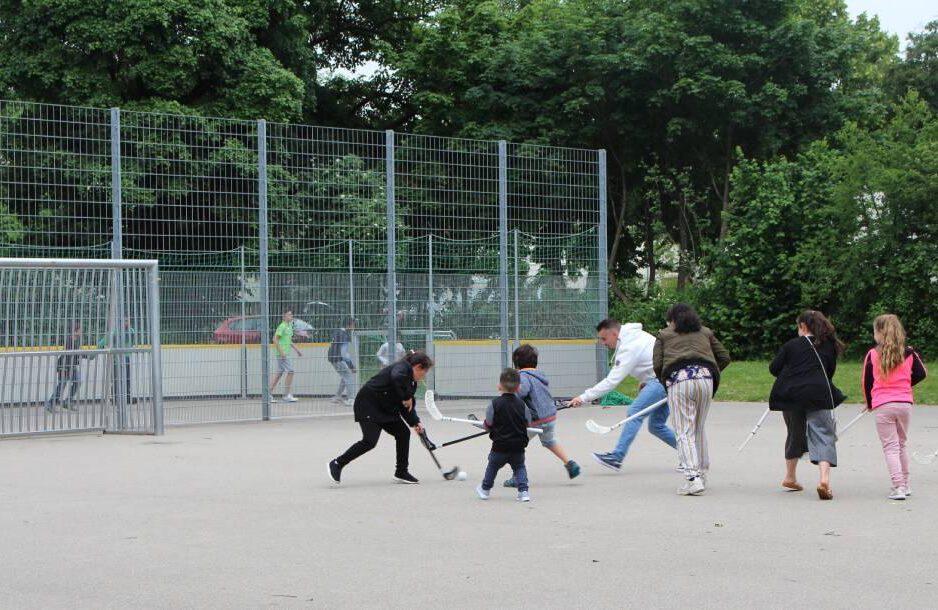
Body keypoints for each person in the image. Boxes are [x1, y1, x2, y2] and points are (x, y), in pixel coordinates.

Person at [569, 319, 676, 472]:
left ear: (614, 333)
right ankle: (691, 455)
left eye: (604, 339)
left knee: (634, 412)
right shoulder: (632, 336)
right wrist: (645, 379)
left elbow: (612, 382)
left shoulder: (628, 347)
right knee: (656, 426)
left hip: (661, 380)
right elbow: (648, 358)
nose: (603, 343)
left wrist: (583, 397)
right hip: (669, 378)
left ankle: (616, 458)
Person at [653, 303, 731, 496]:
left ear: (672, 320)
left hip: (679, 381)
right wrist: (710, 373)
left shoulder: (664, 335)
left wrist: (666, 382)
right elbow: (724, 357)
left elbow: (657, 364)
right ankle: (702, 473)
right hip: (706, 379)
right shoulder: (705, 332)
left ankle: (692, 478)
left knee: (683, 431)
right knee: (698, 427)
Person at [768, 310, 845, 501]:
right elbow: (829, 372)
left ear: (803, 326)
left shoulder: (791, 346)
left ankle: (790, 476)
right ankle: (824, 479)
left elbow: (774, 369)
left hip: (792, 395)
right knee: (823, 433)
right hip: (819, 393)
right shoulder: (828, 346)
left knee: (794, 433)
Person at [328, 350, 433, 485]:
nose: (423, 376)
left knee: (403, 433)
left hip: (386, 409)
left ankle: (401, 471)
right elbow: (398, 380)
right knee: (369, 441)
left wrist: (415, 422)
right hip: (368, 404)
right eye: (423, 373)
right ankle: (337, 463)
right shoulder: (402, 368)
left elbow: (406, 406)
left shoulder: (411, 383)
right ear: (418, 367)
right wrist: (407, 397)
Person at [862, 314, 928, 500]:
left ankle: (898, 486)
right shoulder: (909, 353)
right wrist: (905, 385)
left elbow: (867, 381)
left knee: (890, 447)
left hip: (883, 404)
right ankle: (905, 484)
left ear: (880, 333)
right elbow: (922, 373)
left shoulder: (873, 354)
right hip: (904, 403)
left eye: (875, 331)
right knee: (901, 444)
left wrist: (869, 403)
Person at [499, 344, 579, 486]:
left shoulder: (523, 377)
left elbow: (522, 392)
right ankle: (570, 464)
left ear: (516, 363)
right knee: (549, 441)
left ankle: (518, 477)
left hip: (536, 420)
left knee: (516, 445)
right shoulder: (539, 376)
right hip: (550, 416)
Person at [476, 368, 533, 502]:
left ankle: (485, 489)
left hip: (500, 445)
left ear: (499, 386)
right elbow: (528, 423)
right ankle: (523, 492)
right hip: (518, 445)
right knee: (519, 467)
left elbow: (488, 424)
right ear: (519, 387)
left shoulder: (494, 404)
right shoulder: (522, 405)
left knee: (493, 466)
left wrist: (486, 426)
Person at [45, 322, 85, 412]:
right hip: (65, 366)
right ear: (75, 331)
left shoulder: (77, 339)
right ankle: (50, 404)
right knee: (62, 385)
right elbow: (67, 355)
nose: (81, 331)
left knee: (77, 382)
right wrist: (62, 369)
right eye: (80, 330)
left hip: (72, 366)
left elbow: (77, 353)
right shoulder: (69, 340)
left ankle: (67, 401)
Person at [269, 308, 302, 402]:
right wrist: (282, 352)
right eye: (289, 314)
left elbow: (289, 340)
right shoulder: (282, 326)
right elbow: (274, 339)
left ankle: (268, 394)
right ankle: (287, 395)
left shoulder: (289, 326)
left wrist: (297, 350)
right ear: (284, 316)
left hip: (285, 353)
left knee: (279, 373)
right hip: (282, 354)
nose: (291, 316)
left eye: (291, 314)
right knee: (291, 371)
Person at [328, 317, 357, 405]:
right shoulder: (344, 335)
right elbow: (344, 354)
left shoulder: (338, 331)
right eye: (353, 324)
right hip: (338, 359)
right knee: (348, 376)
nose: (354, 326)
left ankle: (337, 397)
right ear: (349, 325)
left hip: (332, 358)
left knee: (345, 376)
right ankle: (351, 399)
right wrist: (351, 366)